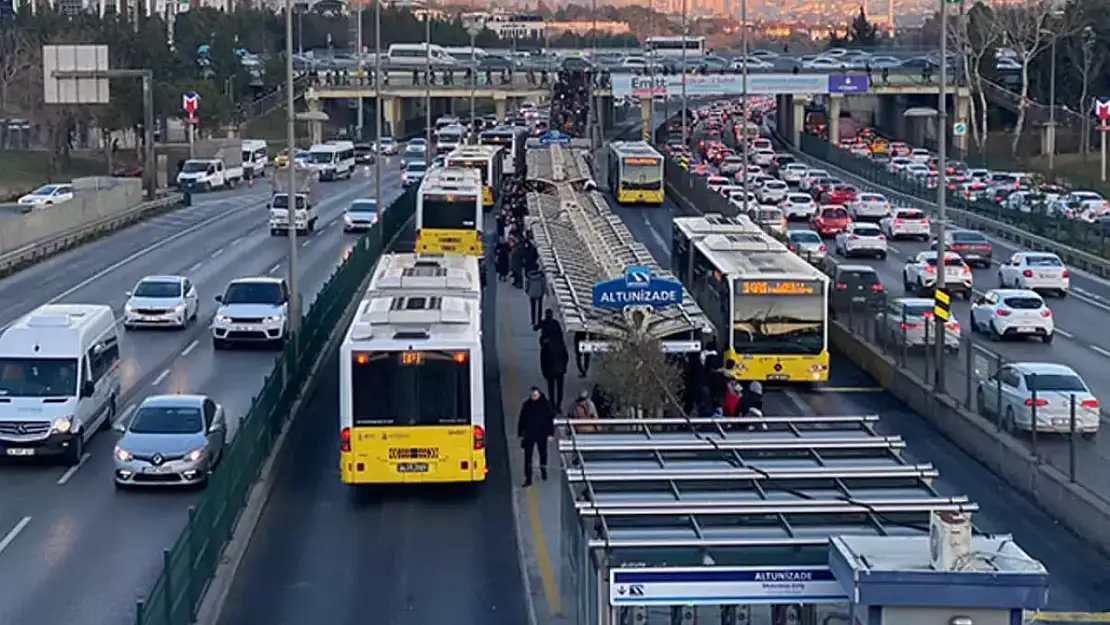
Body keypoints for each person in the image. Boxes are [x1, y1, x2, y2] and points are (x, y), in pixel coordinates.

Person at [518, 387, 555, 486]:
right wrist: (521, 433)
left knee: (543, 453)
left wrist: (550, 433)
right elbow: (522, 420)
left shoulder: (545, 404)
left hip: (541, 433)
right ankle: (528, 478)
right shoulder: (526, 405)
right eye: (532, 396)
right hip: (529, 434)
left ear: (539, 394)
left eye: (535, 395)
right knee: (528, 457)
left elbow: (549, 420)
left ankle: (543, 470)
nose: (533, 397)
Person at [540, 333, 569, 409]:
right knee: (559, 389)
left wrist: (544, 372)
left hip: (550, 371)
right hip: (560, 370)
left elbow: (543, 361)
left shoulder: (545, 348)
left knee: (551, 388)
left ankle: (552, 404)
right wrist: (564, 367)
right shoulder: (560, 344)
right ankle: (558, 405)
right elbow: (566, 357)